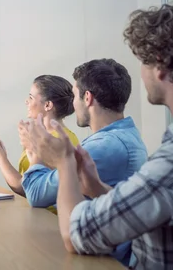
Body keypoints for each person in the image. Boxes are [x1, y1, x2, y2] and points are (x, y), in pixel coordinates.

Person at [23, 4, 173, 269]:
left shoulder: (116, 147)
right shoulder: (136, 141)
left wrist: (62, 160)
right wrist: (95, 188)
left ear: (158, 67)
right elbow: (144, 207)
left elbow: (75, 232)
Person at [21, 59, 147, 266]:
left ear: (87, 97)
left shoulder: (104, 147)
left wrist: (35, 155)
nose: (72, 104)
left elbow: (36, 195)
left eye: (75, 94)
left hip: (100, 260)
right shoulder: (123, 134)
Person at [0, 75, 79, 199]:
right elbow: (24, 182)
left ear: (48, 105)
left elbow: (24, 188)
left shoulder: (57, 141)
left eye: (31, 97)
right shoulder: (39, 136)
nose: (26, 101)